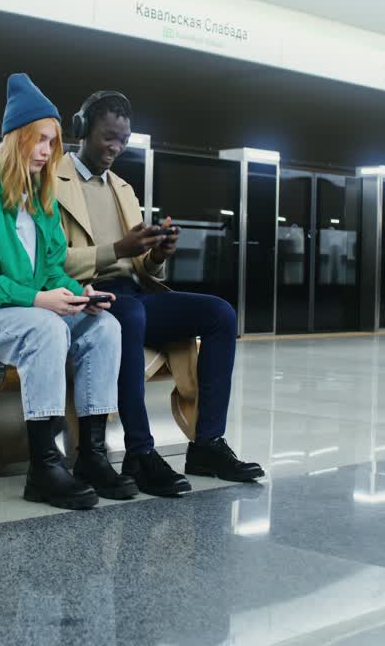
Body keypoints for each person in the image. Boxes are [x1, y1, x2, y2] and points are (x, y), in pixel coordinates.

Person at [0, 73, 135, 510]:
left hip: (24, 309)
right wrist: (43, 300)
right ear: (16, 138)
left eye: (53, 143)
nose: (47, 152)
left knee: (105, 327)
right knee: (46, 329)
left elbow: (49, 270)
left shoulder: (39, 196)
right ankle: (44, 466)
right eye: (40, 141)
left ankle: (92, 457)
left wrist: (79, 292)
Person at [56, 91, 264, 497]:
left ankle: (206, 444)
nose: (116, 148)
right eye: (107, 137)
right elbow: (49, 261)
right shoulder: (53, 183)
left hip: (133, 292)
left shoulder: (123, 188)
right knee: (130, 314)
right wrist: (116, 250)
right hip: (88, 294)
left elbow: (143, 267)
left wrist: (156, 255)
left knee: (220, 314)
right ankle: (139, 452)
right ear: (82, 130)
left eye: (123, 140)